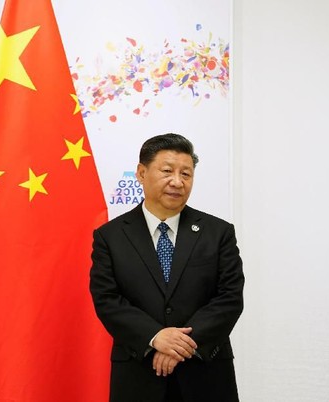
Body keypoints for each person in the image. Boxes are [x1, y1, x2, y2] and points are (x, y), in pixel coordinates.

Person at [90, 133, 244, 402]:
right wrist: (154, 337)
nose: (177, 181)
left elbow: (229, 298)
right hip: (139, 375)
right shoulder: (110, 237)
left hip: (205, 374)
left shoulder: (217, 232)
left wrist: (179, 346)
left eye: (186, 174)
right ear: (141, 173)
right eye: (167, 171)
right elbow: (107, 300)